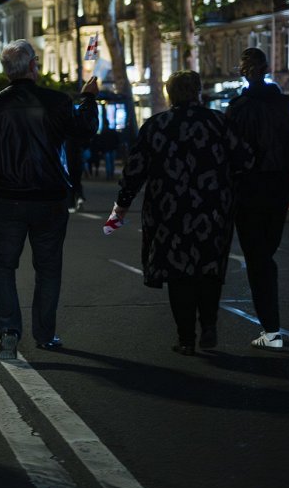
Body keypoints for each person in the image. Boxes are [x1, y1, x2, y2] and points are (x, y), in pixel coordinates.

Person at [0, 39, 99, 359]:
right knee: (49, 267)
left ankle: (9, 331)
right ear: (32, 66)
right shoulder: (57, 101)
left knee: (1, 266)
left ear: (5, 70)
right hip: (50, 197)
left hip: (7, 199)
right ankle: (45, 333)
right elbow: (85, 134)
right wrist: (90, 99)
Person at [105, 72, 252, 354]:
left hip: (168, 212)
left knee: (178, 273)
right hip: (212, 209)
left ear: (170, 94)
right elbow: (244, 159)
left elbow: (135, 170)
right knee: (209, 268)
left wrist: (122, 205)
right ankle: (208, 324)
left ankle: (186, 338)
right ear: (198, 92)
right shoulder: (218, 122)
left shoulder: (157, 125)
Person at [225, 47, 289, 349]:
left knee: (257, 257)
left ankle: (271, 329)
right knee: (265, 253)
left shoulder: (237, 108)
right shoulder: (285, 105)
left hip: (247, 188)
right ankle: (270, 327)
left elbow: (228, 154)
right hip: (277, 186)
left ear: (244, 72)